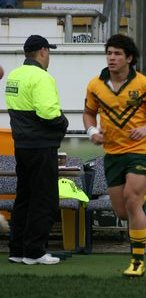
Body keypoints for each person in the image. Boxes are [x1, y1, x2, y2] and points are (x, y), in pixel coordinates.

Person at [83, 33, 146, 277]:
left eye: (117, 54)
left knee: (132, 201)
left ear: (129, 58)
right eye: (109, 53)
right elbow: (89, 113)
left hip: (139, 151)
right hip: (112, 154)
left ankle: (137, 260)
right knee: (122, 212)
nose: (111, 58)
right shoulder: (95, 85)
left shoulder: (144, 84)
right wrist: (92, 130)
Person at [5, 34, 69, 265]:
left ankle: (17, 249)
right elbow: (48, 113)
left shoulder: (14, 75)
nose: (48, 56)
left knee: (24, 198)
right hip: (42, 146)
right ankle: (34, 252)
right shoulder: (42, 77)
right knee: (44, 200)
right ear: (42, 51)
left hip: (21, 146)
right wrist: (64, 124)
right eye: (48, 51)